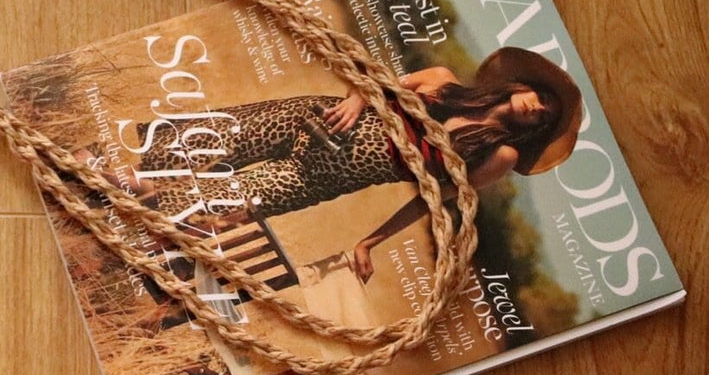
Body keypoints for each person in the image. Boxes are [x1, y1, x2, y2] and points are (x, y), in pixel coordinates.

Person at [127, 48, 582, 285]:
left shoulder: (497, 156)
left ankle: (137, 220)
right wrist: (354, 99)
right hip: (318, 117)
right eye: (541, 97)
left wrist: (369, 242)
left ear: (535, 129)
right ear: (523, 85)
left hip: (334, 173)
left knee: (232, 206)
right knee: (221, 139)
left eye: (545, 116)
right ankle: (130, 181)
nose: (536, 108)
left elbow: (431, 203)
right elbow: (376, 82)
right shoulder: (442, 80)